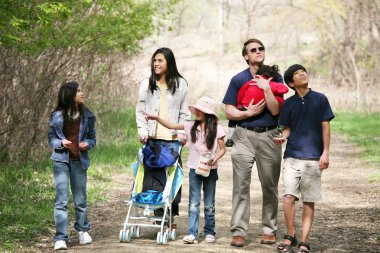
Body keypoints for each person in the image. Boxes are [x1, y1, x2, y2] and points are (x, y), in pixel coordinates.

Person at [222, 38, 285, 247]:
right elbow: (228, 109)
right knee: (241, 186)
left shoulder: (275, 77)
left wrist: (267, 88)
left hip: (269, 136)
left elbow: (276, 110)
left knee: (269, 186)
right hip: (243, 136)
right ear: (246, 56)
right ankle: (238, 232)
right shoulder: (238, 79)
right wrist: (246, 113)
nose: (258, 51)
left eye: (261, 48)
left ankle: (269, 230)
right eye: (253, 50)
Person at [146, 96, 226, 244]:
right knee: (193, 203)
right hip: (195, 170)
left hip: (210, 169)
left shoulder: (217, 129)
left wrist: (215, 159)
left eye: (201, 110)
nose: (198, 112)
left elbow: (223, 149)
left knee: (209, 203)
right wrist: (156, 118)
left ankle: (209, 231)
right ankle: (192, 233)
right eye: (198, 109)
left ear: (209, 114)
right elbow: (171, 125)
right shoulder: (190, 126)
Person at [273, 64, 334, 253]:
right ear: (291, 83)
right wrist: (284, 136)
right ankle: (291, 235)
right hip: (291, 156)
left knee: (308, 200)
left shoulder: (320, 99)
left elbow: (326, 127)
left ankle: (304, 241)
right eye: (298, 73)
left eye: (303, 71)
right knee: (288, 197)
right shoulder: (289, 104)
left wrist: (325, 152)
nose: (303, 73)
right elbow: (288, 128)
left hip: (313, 158)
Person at [136, 47, 190, 221]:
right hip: (152, 138)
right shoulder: (147, 84)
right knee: (153, 179)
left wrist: (183, 133)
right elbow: (141, 110)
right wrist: (143, 131)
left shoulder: (181, 84)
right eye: (155, 60)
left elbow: (184, 112)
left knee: (173, 179)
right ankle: (158, 214)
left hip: (173, 140)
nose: (156, 64)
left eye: (160, 61)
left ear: (169, 63)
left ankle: (171, 215)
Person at [48, 81, 96, 251]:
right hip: (61, 161)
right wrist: (61, 142)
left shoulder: (88, 116)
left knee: (80, 199)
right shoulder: (57, 115)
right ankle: (60, 238)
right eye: (79, 91)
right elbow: (51, 138)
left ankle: (82, 230)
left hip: (79, 161)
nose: (83, 93)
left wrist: (86, 144)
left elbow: (92, 139)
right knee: (61, 200)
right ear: (70, 95)